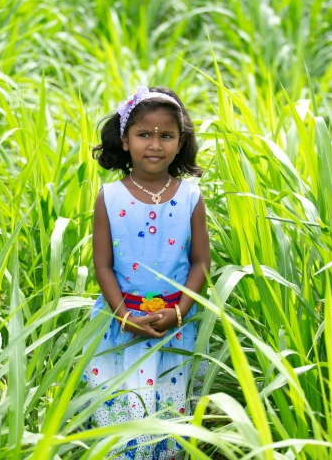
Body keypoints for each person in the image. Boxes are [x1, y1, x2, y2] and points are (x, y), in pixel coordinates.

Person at [80, 85, 211, 460]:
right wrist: (124, 315)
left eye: (166, 135)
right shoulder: (110, 196)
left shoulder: (190, 197)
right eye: (144, 134)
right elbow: (102, 264)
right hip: (120, 326)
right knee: (119, 422)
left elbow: (201, 262)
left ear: (180, 142)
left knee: (169, 423)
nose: (155, 144)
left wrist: (179, 312)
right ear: (124, 140)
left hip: (176, 325)